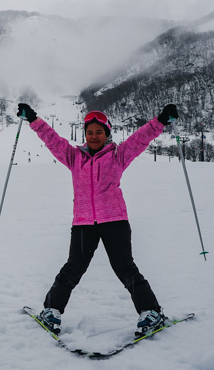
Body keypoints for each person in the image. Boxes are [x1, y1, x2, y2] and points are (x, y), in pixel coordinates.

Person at [17, 102, 179, 337]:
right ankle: (51, 310)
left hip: (114, 221)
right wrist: (33, 119)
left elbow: (140, 138)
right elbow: (52, 139)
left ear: (107, 134)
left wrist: (161, 121)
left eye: (99, 132)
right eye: (90, 133)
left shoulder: (117, 156)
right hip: (83, 223)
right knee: (73, 268)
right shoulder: (74, 158)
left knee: (125, 268)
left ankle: (151, 312)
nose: (94, 137)